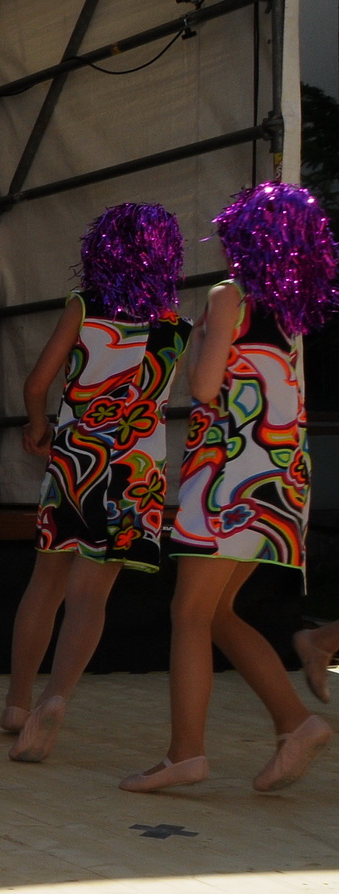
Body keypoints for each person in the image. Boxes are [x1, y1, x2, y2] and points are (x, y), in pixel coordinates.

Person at [122, 182, 339, 794]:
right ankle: (295, 724)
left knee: (189, 613)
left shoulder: (229, 297)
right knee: (215, 613)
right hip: (278, 480)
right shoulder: (288, 315)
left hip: (227, 479)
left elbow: (209, 388)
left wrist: (194, 350)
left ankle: (185, 754)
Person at [2, 205, 191, 761]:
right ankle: (56, 697)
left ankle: (17, 701)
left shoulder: (84, 309)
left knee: (46, 583)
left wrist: (39, 427)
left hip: (76, 462)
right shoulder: (175, 327)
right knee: (91, 598)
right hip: (138, 472)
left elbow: (38, 383)